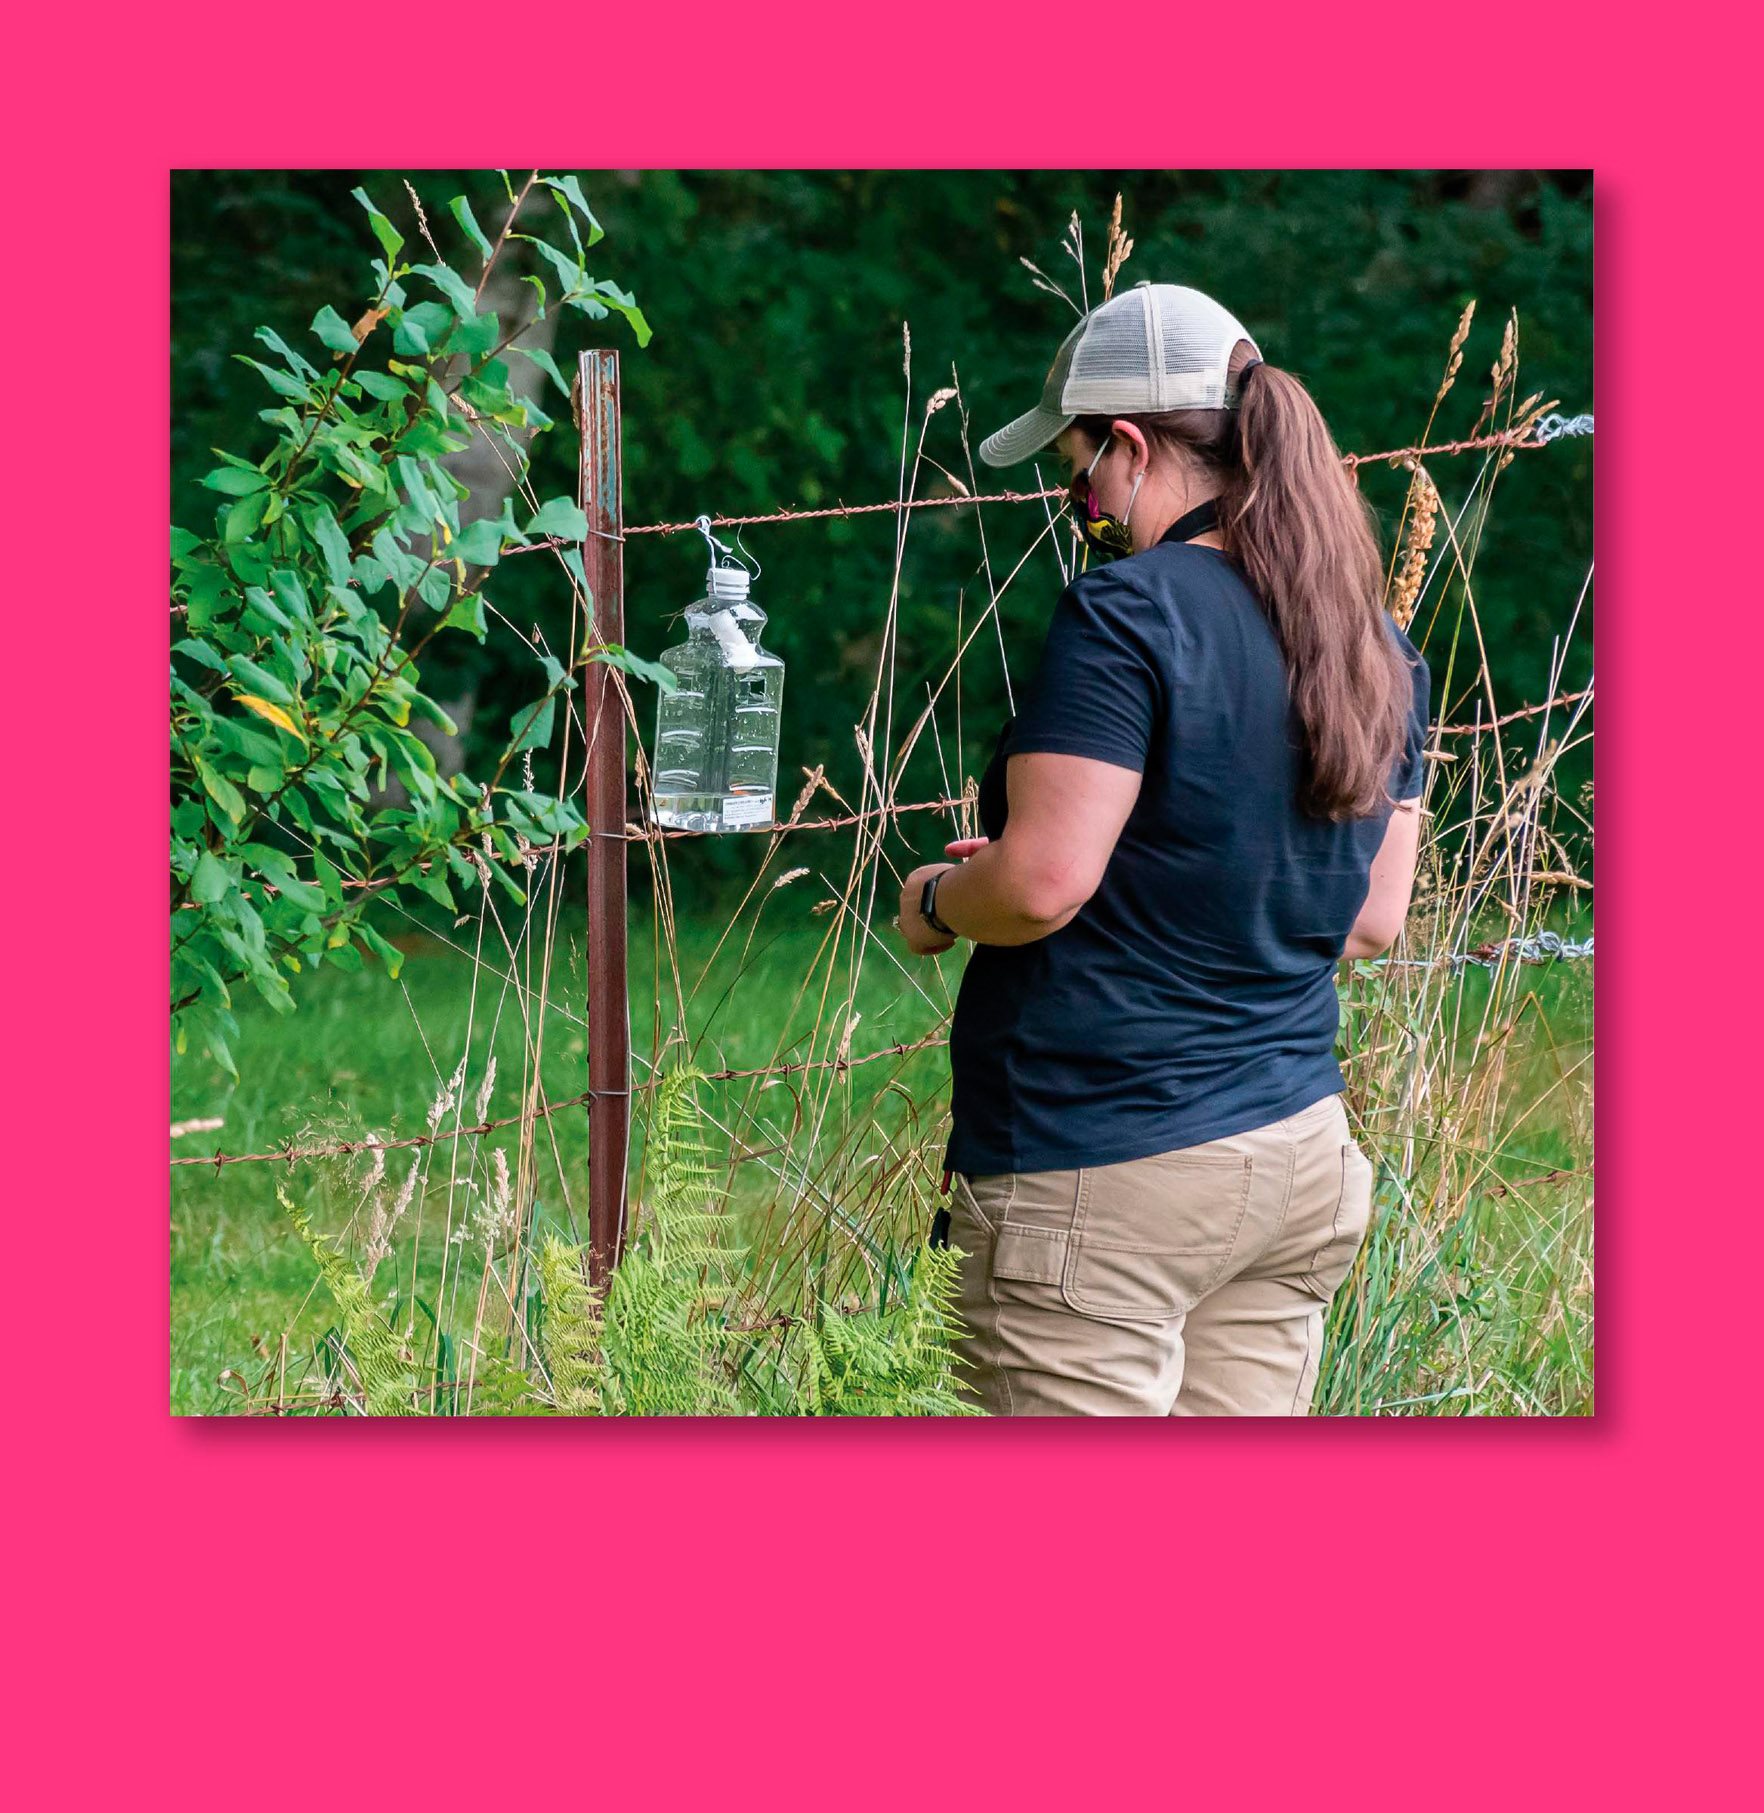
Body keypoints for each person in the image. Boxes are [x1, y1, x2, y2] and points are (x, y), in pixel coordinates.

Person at [894, 281, 1430, 1416]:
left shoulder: (1127, 612)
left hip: (1105, 1164)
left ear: (1131, 447)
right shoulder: (1368, 638)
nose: (1073, 495)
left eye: (1078, 465)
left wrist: (941, 896)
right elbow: (1375, 913)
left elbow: (1040, 883)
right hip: (1295, 1154)